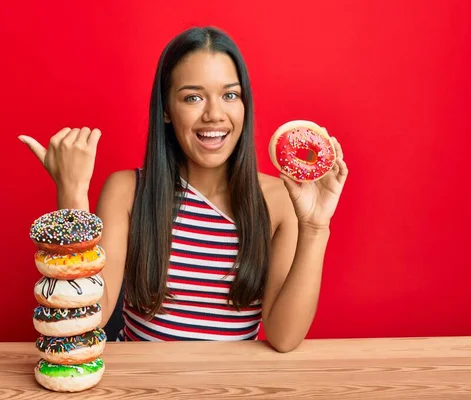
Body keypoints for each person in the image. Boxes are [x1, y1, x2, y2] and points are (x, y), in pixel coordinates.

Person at [19, 26, 348, 352]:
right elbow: (90, 318)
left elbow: (284, 337)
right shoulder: (127, 191)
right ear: (165, 109)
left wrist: (315, 228)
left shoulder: (278, 201)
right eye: (193, 97)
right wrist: (73, 193)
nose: (214, 114)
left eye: (230, 95)